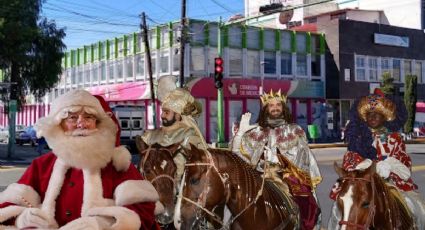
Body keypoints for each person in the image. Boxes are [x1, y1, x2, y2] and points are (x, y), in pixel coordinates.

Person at [0, 89, 159, 229]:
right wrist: (23, 219)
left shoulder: (118, 165)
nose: (81, 124)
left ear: (98, 124)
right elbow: (7, 206)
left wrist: (102, 225)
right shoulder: (41, 165)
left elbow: (143, 210)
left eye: (89, 117)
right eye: (72, 117)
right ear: (58, 124)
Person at [327, 88, 425, 229]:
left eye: (377, 114)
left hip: (391, 184)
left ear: (385, 117)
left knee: (417, 208)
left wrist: (391, 165)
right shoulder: (357, 137)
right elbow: (350, 161)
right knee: (338, 210)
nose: (372, 117)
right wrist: (364, 165)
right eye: (369, 114)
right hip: (361, 185)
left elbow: (404, 165)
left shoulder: (395, 138)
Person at [231, 89, 322, 230]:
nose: (275, 108)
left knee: (306, 203)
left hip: (286, 176)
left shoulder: (294, 130)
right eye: (271, 105)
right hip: (259, 176)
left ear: (283, 108)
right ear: (266, 109)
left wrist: (280, 162)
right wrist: (240, 134)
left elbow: (303, 158)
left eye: (278, 105)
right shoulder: (256, 132)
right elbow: (236, 156)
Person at [140, 88, 206, 184]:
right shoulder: (150, 135)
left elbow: (198, 169)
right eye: (162, 112)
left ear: (178, 116)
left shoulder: (190, 135)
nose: (162, 115)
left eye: (166, 112)